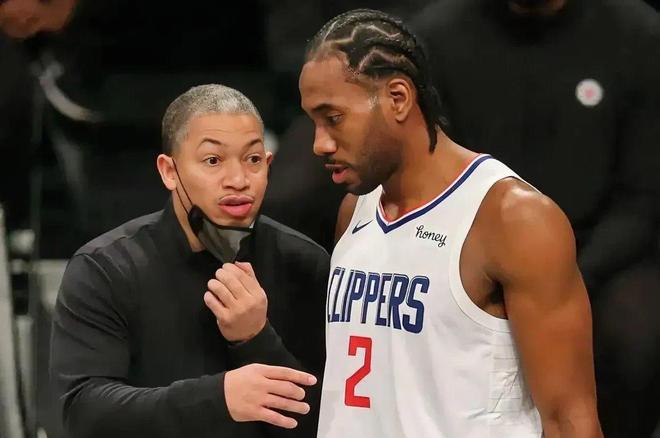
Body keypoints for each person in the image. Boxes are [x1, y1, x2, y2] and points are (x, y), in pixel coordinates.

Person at [299, 9, 602, 438]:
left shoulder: (512, 218)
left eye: (333, 118)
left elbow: (570, 419)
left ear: (398, 98)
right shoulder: (355, 210)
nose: (319, 143)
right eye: (313, 121)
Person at [411, 1, 660, 436]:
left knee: (635, 330)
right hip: (472, 252)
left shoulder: (639, 34)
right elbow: (427, 175)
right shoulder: (436, 37)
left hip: (602, 258)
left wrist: (564, 276)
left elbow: (643, 195)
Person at [50, 84, 329, 438]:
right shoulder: (105, 268)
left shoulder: (304, 264)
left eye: (253, 160)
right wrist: (219, 398)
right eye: (213, 160)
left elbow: (326, 421)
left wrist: (256, 340)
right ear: (169, 171)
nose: (238, 180)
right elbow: (84, 413)